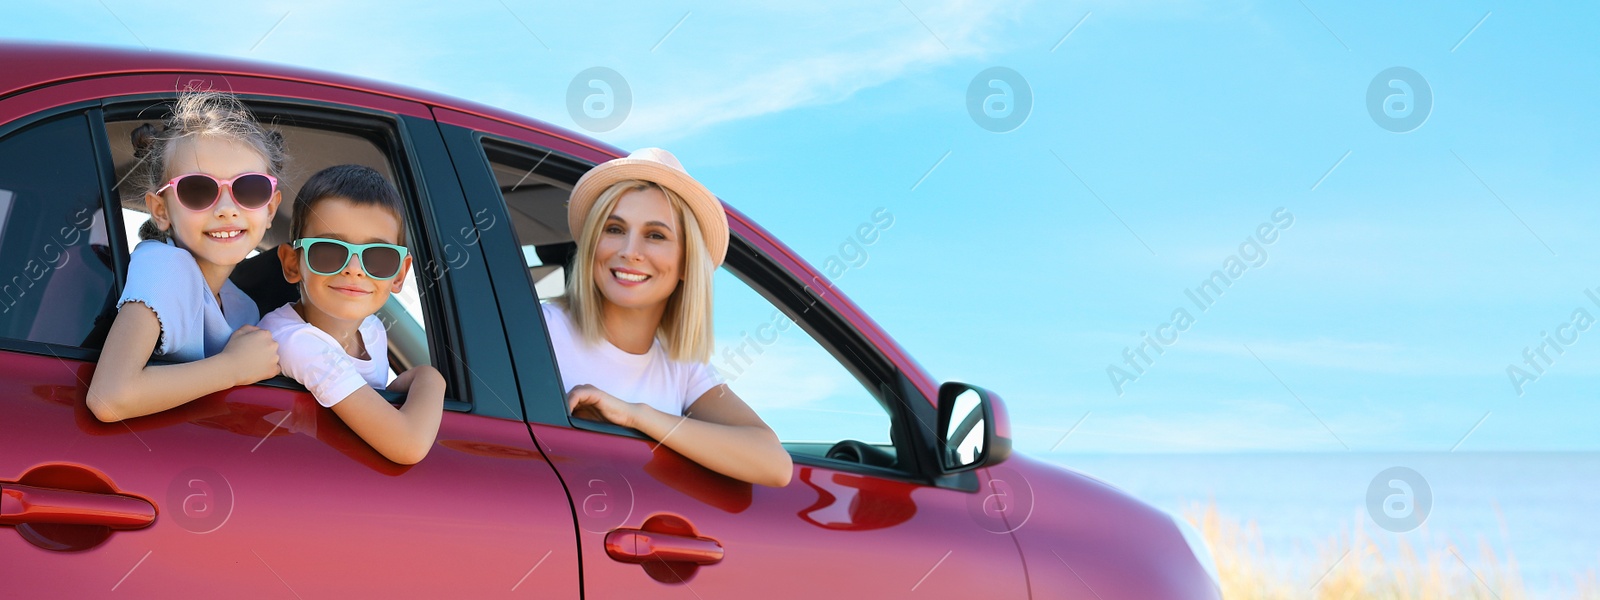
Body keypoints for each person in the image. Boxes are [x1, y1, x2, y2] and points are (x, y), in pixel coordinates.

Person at [548, 148, 792, 487]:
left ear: (686, 264)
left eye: (655, 235)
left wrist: (636, 415)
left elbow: (774, 464)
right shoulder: (540, 328)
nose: (629, 251)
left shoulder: (682, 366)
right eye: (614, 228)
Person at [88, 91, 285, 422]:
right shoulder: (164, 266)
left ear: (270, 209)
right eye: (198, 189)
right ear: (161, 211)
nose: (225, 209)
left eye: (250, 189)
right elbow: (109, 397)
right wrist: (233, 367)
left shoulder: (242, 306)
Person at [258, 165, 445, 465]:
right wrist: (430, 377)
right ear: (292, 264)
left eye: (378, 257)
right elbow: (408, 445)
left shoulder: (371, 329)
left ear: (399, 275)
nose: (354, 268)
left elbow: (376, 394)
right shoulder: (297, 343)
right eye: (329, 251)